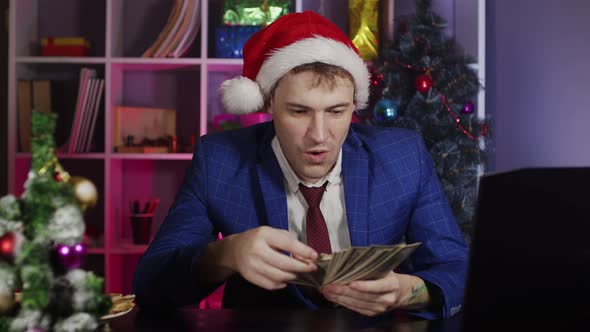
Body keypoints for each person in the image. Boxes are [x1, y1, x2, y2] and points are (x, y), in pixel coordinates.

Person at [133, 11, 468, 319]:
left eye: (337, 112)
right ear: (267, 103)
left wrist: (408, 292)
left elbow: (457, 267)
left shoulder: (404, 156)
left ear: (355, 104)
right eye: (298, 111)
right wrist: (224, 254)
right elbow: (150, 285)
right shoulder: (218, 161)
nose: (319, 135)